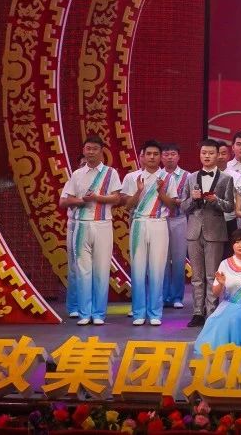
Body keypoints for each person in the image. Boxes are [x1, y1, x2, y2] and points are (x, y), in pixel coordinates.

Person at [59, 136, 123, 326]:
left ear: (101, 151)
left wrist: (96, 198)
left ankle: (99, 313)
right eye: (88, 148)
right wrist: (81, 201)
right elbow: (66, 200)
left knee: (101, 270)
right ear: (84, 150)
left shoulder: (111, 173)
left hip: (103, 224)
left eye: (95, 149)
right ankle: (84, 313)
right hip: (81, 225)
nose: (91, 152)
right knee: (83, 271)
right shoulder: (77, 174)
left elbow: (117, 198)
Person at [184, 139, 236, 327]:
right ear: (200, 155)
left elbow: (230, 206)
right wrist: (192, 199)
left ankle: (212, 312)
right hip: (194, 231)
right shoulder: (191, 178)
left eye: (211, 153)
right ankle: (198, 312)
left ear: (218, 155)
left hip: (215, 231)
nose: (207, 156)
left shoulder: (226, 179)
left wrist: (216, 200)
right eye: (204, 153)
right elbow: (183, 207)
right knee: (197, 276)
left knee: (212, 275)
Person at [120, 140, 172, 326]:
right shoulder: (132, 177)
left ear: (160, 157)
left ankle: (155, 313)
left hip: (159, 223)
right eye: (148, 154)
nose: (152, 157)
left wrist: (161, 192)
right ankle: (139, 313)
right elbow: (126, 206)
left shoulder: (167, 178)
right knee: (138, 269)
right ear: (142, 156)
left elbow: (173, 205)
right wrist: (139, 192)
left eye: (156, 154)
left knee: (157, 269)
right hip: (139, 224)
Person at [194, 229, 241, 353]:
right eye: (237, 242)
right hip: (228, 305)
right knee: (213, 320)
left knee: (236, 318)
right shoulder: (224, 264)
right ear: (232, 245)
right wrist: (221, 284)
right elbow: (215, 293)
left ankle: (235, 348)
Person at [160, 143, 191, 310]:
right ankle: (163, 295)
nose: (169, 157)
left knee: (179, 259)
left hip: (179, 219)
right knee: (162, 260)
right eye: (166, 154)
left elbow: (189, 200)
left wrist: (176, 201)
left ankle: (177, 296)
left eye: (173, 154)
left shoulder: (187, 176)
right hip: (160, 220)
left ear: (178, 157)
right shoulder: (158, 176)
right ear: (161, 157)